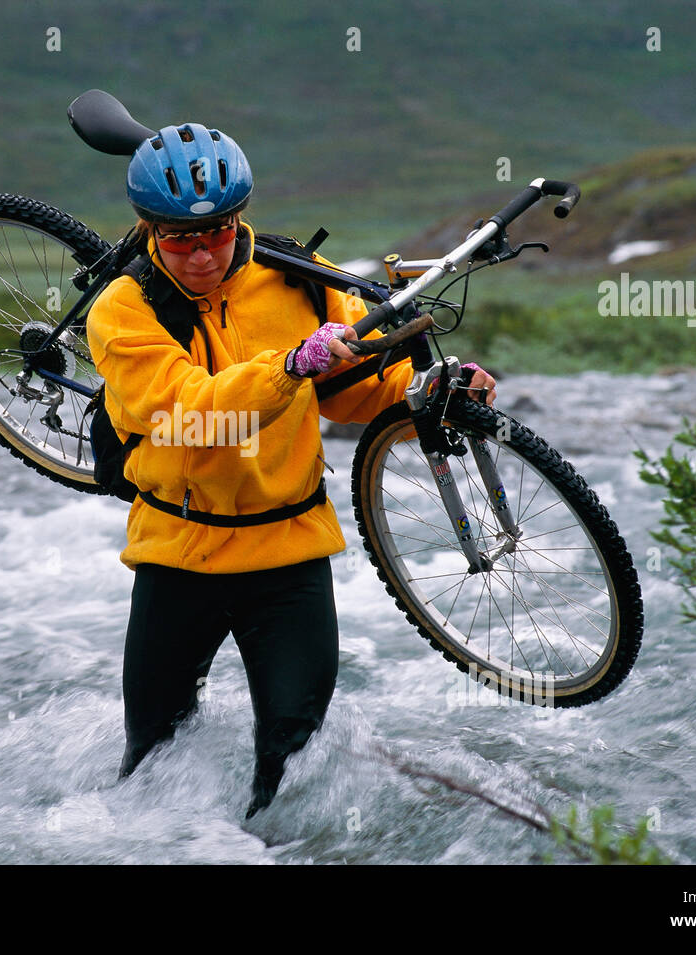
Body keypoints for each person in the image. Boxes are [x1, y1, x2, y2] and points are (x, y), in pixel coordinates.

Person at [85, 120, 496, 817]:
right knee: (150, 761)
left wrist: (426, 391)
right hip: (179, 555)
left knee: (292, 761)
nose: (201, 252)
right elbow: (193, 416)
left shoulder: (297, 278)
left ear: (238, 217)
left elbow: (347, 391)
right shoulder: (123, 310)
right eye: (179, 237)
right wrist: (288, 364)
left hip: (290, 554)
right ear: (147, 228)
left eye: (215, 231)